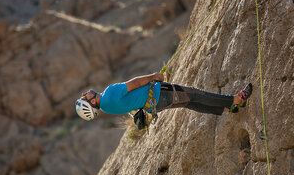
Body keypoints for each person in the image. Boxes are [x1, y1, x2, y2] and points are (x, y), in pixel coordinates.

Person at [75, 73, 253, 123]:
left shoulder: (107, 108)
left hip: (156, 104)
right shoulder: (109, 93)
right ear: (91, 103)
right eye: (85, 97)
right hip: (161, 92)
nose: (85, 93)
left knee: (191, 103)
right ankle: (236, 100)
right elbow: (135, 83)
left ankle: (226, 108)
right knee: (197, 95)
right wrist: (154, 76)